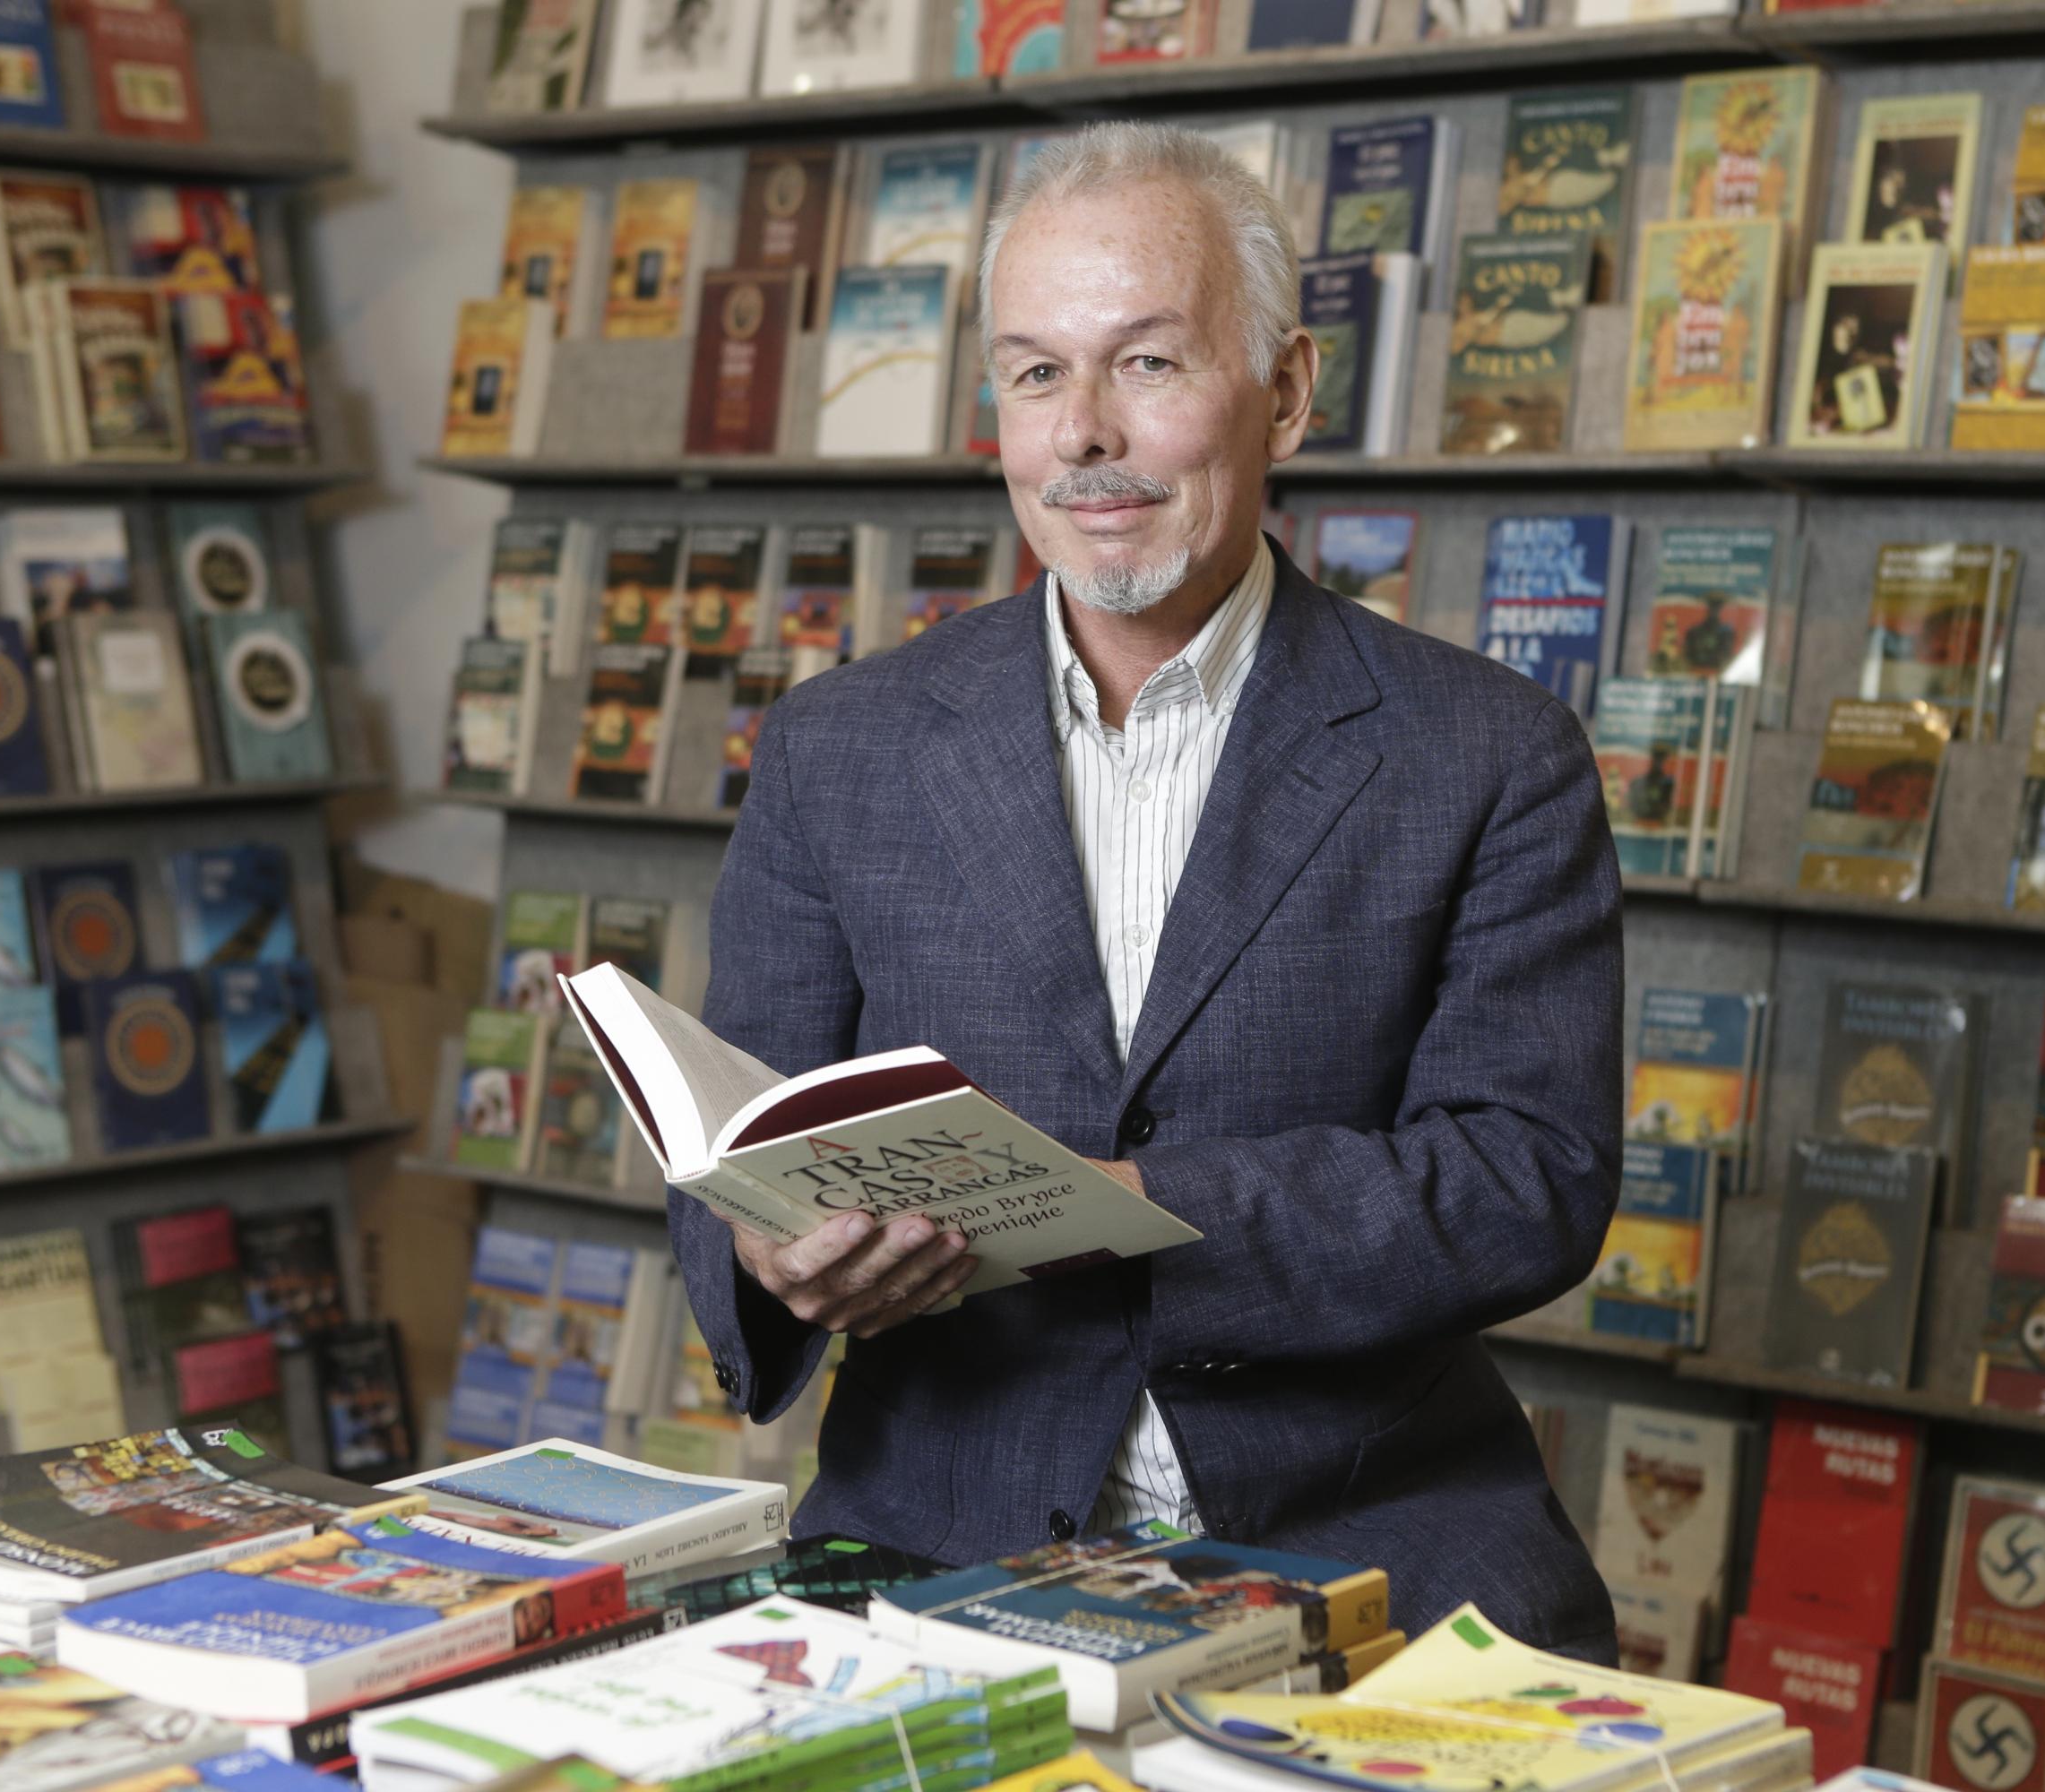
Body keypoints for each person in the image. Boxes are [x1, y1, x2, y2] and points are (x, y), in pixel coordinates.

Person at [676, 121, 1624, 1654]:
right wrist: (771, 1255)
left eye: (1151, 365)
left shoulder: (1490, 752)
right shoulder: (835, 747)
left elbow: (1530, 1177)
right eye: (1038, 373)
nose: (1083, 438)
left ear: (1290, 394)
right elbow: (739, 1135)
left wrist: (1127, 1214)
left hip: (1372, 1549)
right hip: (937, 1544)